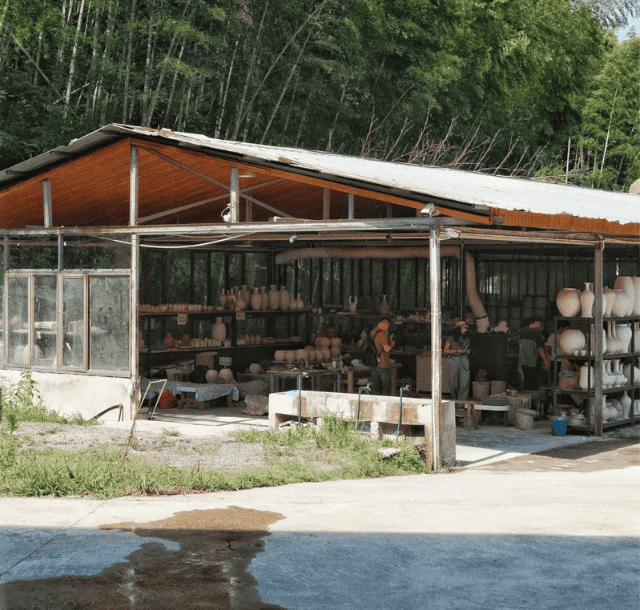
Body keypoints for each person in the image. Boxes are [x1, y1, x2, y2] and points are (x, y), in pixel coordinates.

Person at [519, 316, 550, 391]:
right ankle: (532, 399)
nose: (540, 325)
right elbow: (540, 348)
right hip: (534, 362)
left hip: (523, 362)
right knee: (534, 385)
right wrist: (545, 360)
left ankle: (526, 398)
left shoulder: (521, 331)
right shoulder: (536, 332)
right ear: (536, 322)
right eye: (540, 323)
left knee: (526, 383)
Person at [444, 321, 471, 405]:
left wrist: (466, 351)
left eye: (466, 328)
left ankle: (461, 403)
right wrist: (456, 350)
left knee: (465, 381)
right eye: (463, 328)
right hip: (454, 359)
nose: (465, 330)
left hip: (464, 358)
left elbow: (469, 351)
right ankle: (454, 400)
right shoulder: (451, 338)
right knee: (452, 381)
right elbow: (446, 350)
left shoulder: (466, 338)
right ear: (458, 329)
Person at [370, 317, 395, 395]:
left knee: (375, 386)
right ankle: (384, 403)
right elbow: (387, 349)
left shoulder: (373, 332)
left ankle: (374, 403)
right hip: (383, 363)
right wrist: (391, 343)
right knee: (386, 386)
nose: (388, 326)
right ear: (384, 323)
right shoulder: (382, 334)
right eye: (387, 324)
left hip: (373, 362)